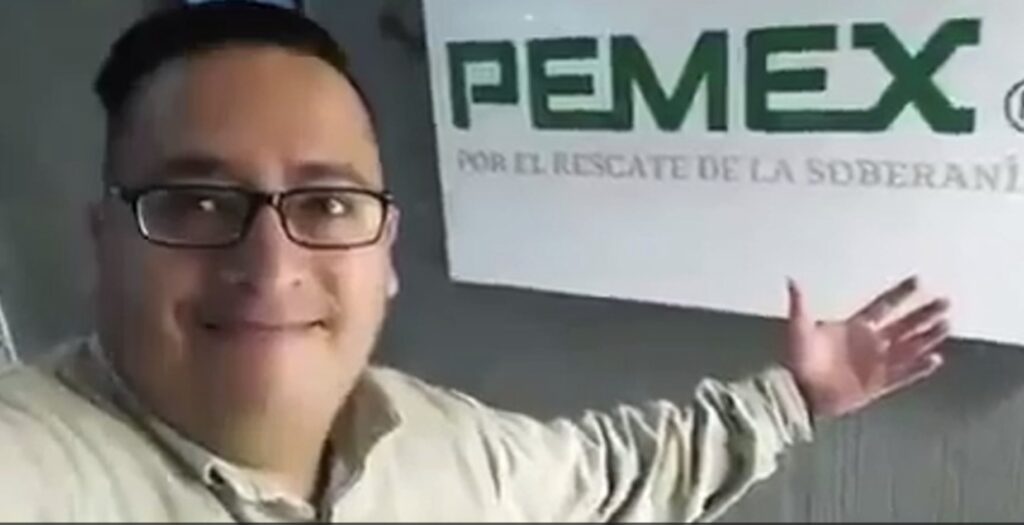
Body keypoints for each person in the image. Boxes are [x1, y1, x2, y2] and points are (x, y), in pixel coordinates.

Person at [0, 2, 952, 522]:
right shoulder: (35, 471)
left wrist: (798, 396)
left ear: (387, 255)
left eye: (327, 204)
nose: (270, 260)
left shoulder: (444, 448)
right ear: (103, 242)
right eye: (200, 202)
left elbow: (614, 474)